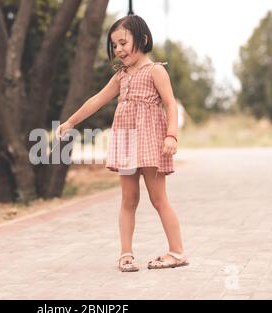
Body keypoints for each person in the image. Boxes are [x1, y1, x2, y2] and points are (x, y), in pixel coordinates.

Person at [56, 15, 189, 272]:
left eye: (123, 43)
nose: (118, 50)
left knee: (158, 198)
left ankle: (177, 252)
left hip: (151, 142)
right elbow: (96, 100)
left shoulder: (156, 71)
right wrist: (70, 122)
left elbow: (170, 104)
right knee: (128, 199)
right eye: (114, 45)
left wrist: (171, 135)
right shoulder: (121, 76)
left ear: (143, 40)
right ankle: (126, 254)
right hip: (126, 141)